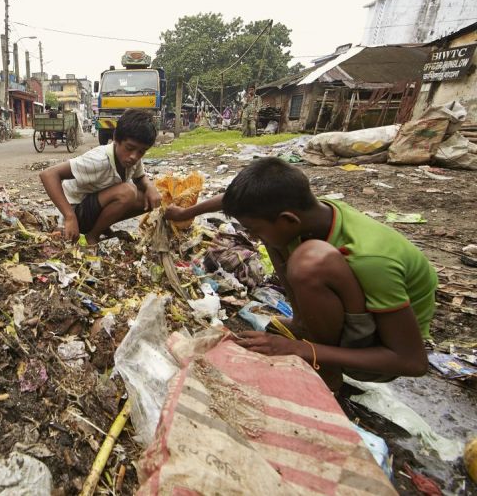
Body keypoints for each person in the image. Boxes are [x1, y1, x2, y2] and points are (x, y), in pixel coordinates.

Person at [164, 157, 435, 390]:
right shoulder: (307, 211)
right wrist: (186, 212)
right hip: (353, 322)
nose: (251, 237)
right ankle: (305, 325)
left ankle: (328, 373)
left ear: (288, 219)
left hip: (377, 353)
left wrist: (303, 349)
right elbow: (233, 202)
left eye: (253, 229)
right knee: (279, 242)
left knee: (308, 263)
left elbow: (412, 361)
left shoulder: (372, 259)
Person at [40, 109, 161, 245]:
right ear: (116, 138)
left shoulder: (132, 159)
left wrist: (150, 187)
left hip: (92, 208)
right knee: (128, 192)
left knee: (151, 200)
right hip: (76, 210)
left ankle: (102, 228)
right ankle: (92, 236)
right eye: (129, 148)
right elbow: (48, 174)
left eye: (141, 151)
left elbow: (140, 178)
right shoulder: (98, 160)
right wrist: (69, 217)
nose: (134, 156)